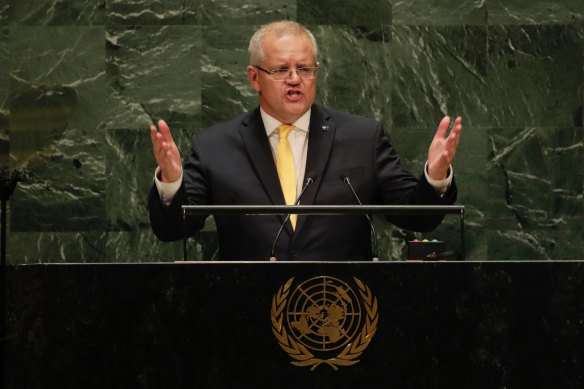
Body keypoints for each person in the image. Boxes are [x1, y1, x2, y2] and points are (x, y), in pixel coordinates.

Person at [148, 20, 462, 261]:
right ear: (254, 77)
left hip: (343, 313)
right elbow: (173, 229)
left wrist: (434, 179)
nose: (295, 79)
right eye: (281, 70)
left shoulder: (361, 138)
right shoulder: (215, 146)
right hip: (246, 311)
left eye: (305, 69)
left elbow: (415, 215)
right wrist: (172, 183)